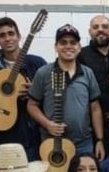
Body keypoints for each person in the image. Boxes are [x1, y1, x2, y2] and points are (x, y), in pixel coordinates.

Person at [0, 17, 45, 162]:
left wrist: (36, 92)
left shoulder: (37, 64)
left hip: (31, 133)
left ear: (19, 36)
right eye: (2, 35)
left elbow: (52, 96)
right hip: (2, 134)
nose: (7, 38)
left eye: (11, 33)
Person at [28, 24, 104, 159]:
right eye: (63, 42)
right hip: (52, 143)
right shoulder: (43, 73)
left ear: (79, 47)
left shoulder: (87, 73)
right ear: (56, 47)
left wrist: (99, 140)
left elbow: (95, 108)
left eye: (73, 42)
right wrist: (48, 124)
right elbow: (31, 105)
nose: (68, 46)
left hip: (83, 144)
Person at [78, 14, 109, 156]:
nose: (100, 30)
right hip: (90, 124)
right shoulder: (81, 55)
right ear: (89, 32)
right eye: (95, 27)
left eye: (105, 27)